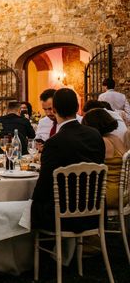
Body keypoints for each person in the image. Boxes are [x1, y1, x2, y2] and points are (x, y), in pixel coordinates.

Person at [31, 88, 105, 232]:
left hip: (62, 216)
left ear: (55, 110)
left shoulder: (54, 142)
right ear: (77, 108)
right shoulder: (95, 135)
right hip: (94, 210)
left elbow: (43, 187)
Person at [82, 108, 128, 209]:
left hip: (109, 194)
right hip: (122, 191)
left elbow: (90, 165)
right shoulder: (114, 138)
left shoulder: (103, 142)